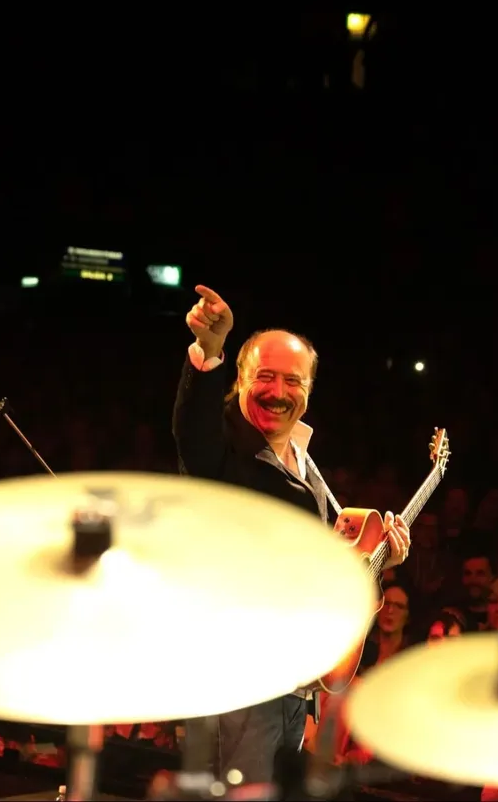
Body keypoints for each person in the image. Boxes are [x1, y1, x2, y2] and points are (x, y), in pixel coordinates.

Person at [172, 284, 411, 785]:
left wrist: (380, 560)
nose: (277, 393)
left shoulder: (302, 459)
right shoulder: (222, 451)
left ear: (308, 390)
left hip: (295, 684)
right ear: (238, 380)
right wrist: (207, 351)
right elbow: (191, 433)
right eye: (264, 377)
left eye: (292, 381)